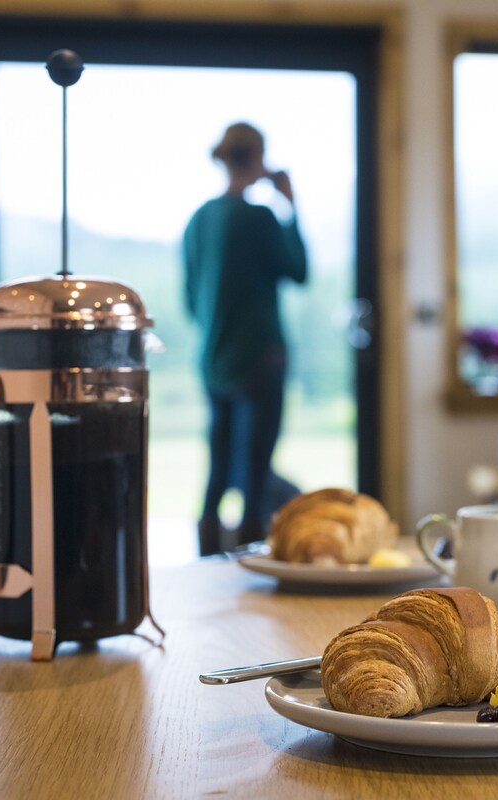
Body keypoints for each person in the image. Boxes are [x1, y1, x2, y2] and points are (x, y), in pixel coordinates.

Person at [183, 122, 308, 555]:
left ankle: (207, 564)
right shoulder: (259, 217)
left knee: (218, 469)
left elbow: (190, 299)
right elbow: (298, 269)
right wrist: (290, 205)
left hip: (214, 361)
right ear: (256, 157)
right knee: (254, 473)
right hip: (260, 360)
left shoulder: (199, 219)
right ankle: (249, 571)